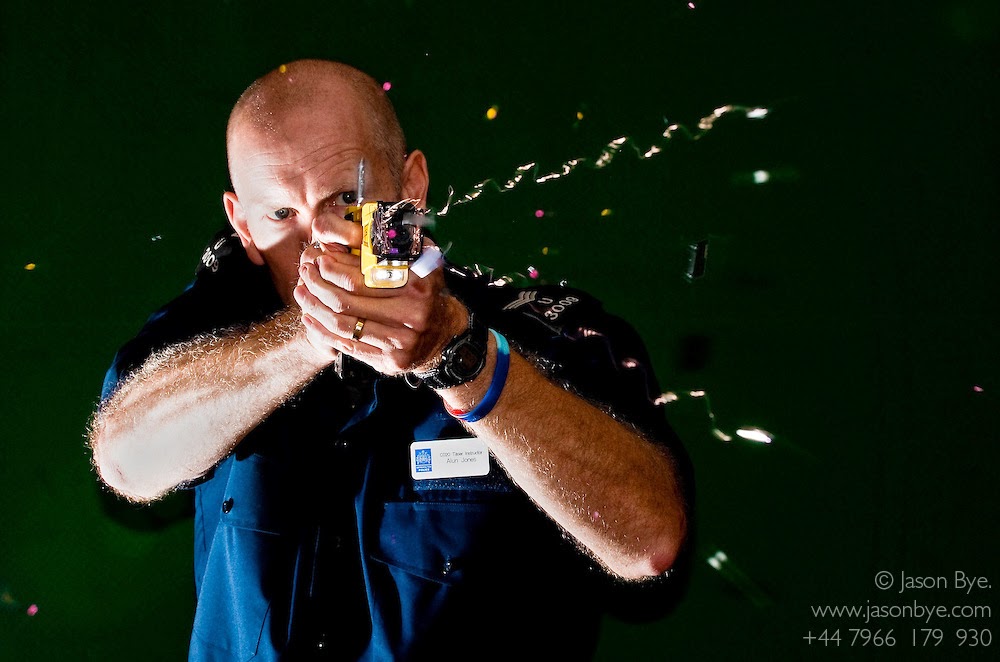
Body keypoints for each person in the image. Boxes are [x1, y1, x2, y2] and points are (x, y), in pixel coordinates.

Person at [88, 59, 694, 660]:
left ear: (411, 188)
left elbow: (651, 545)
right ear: (241, 224)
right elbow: (123, 464)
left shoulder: (543, 331)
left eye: (345, 198)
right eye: (280, 214)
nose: (319, 241)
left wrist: (463, 360)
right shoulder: (213, 327)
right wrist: (307, 338)